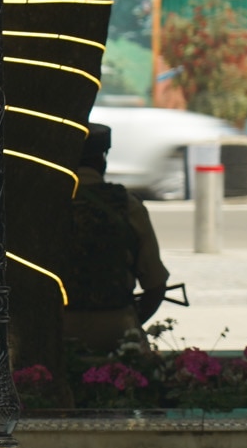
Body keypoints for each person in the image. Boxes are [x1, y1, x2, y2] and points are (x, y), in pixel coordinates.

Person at [63, 124, 169, 353]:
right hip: (117, 329)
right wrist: (130, 324)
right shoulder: (128, 206)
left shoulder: (44, 205)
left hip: (58, 331)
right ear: (103, 160)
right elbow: (156, 286)